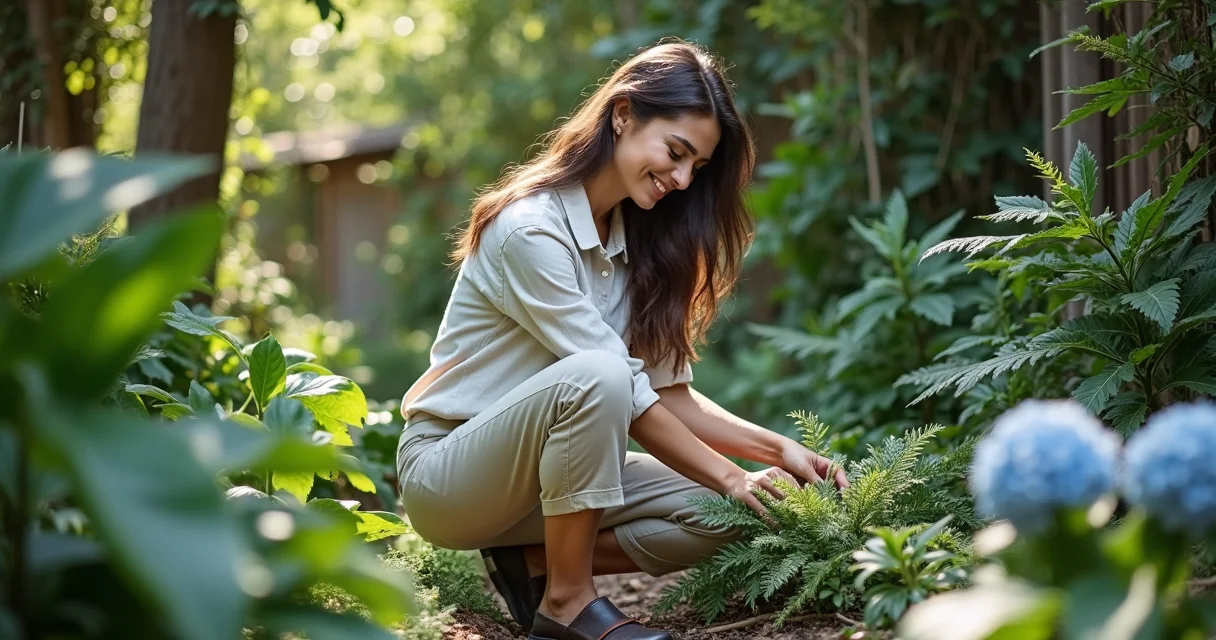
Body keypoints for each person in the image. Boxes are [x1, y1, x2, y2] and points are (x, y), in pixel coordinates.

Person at [396, 40, 849, 640]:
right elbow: (618, 386)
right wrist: (730, 474)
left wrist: (773, 453)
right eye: (676, 152)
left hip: (553, 483)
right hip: (452, 475)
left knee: (739, 511)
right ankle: (567, 602)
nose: (682, 179)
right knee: (605, 376)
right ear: (623, 114)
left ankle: (533, 564)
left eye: (697, 168)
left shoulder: (638, 242)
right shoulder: (530, 230)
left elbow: (668, 394)